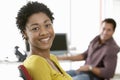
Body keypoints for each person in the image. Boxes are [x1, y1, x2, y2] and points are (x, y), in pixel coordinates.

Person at [16, 1, 72, 80]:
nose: (44, 32)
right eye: (35, 28)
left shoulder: (52, 58)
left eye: (47, 25)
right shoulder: (37, 62)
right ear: (25, 33)